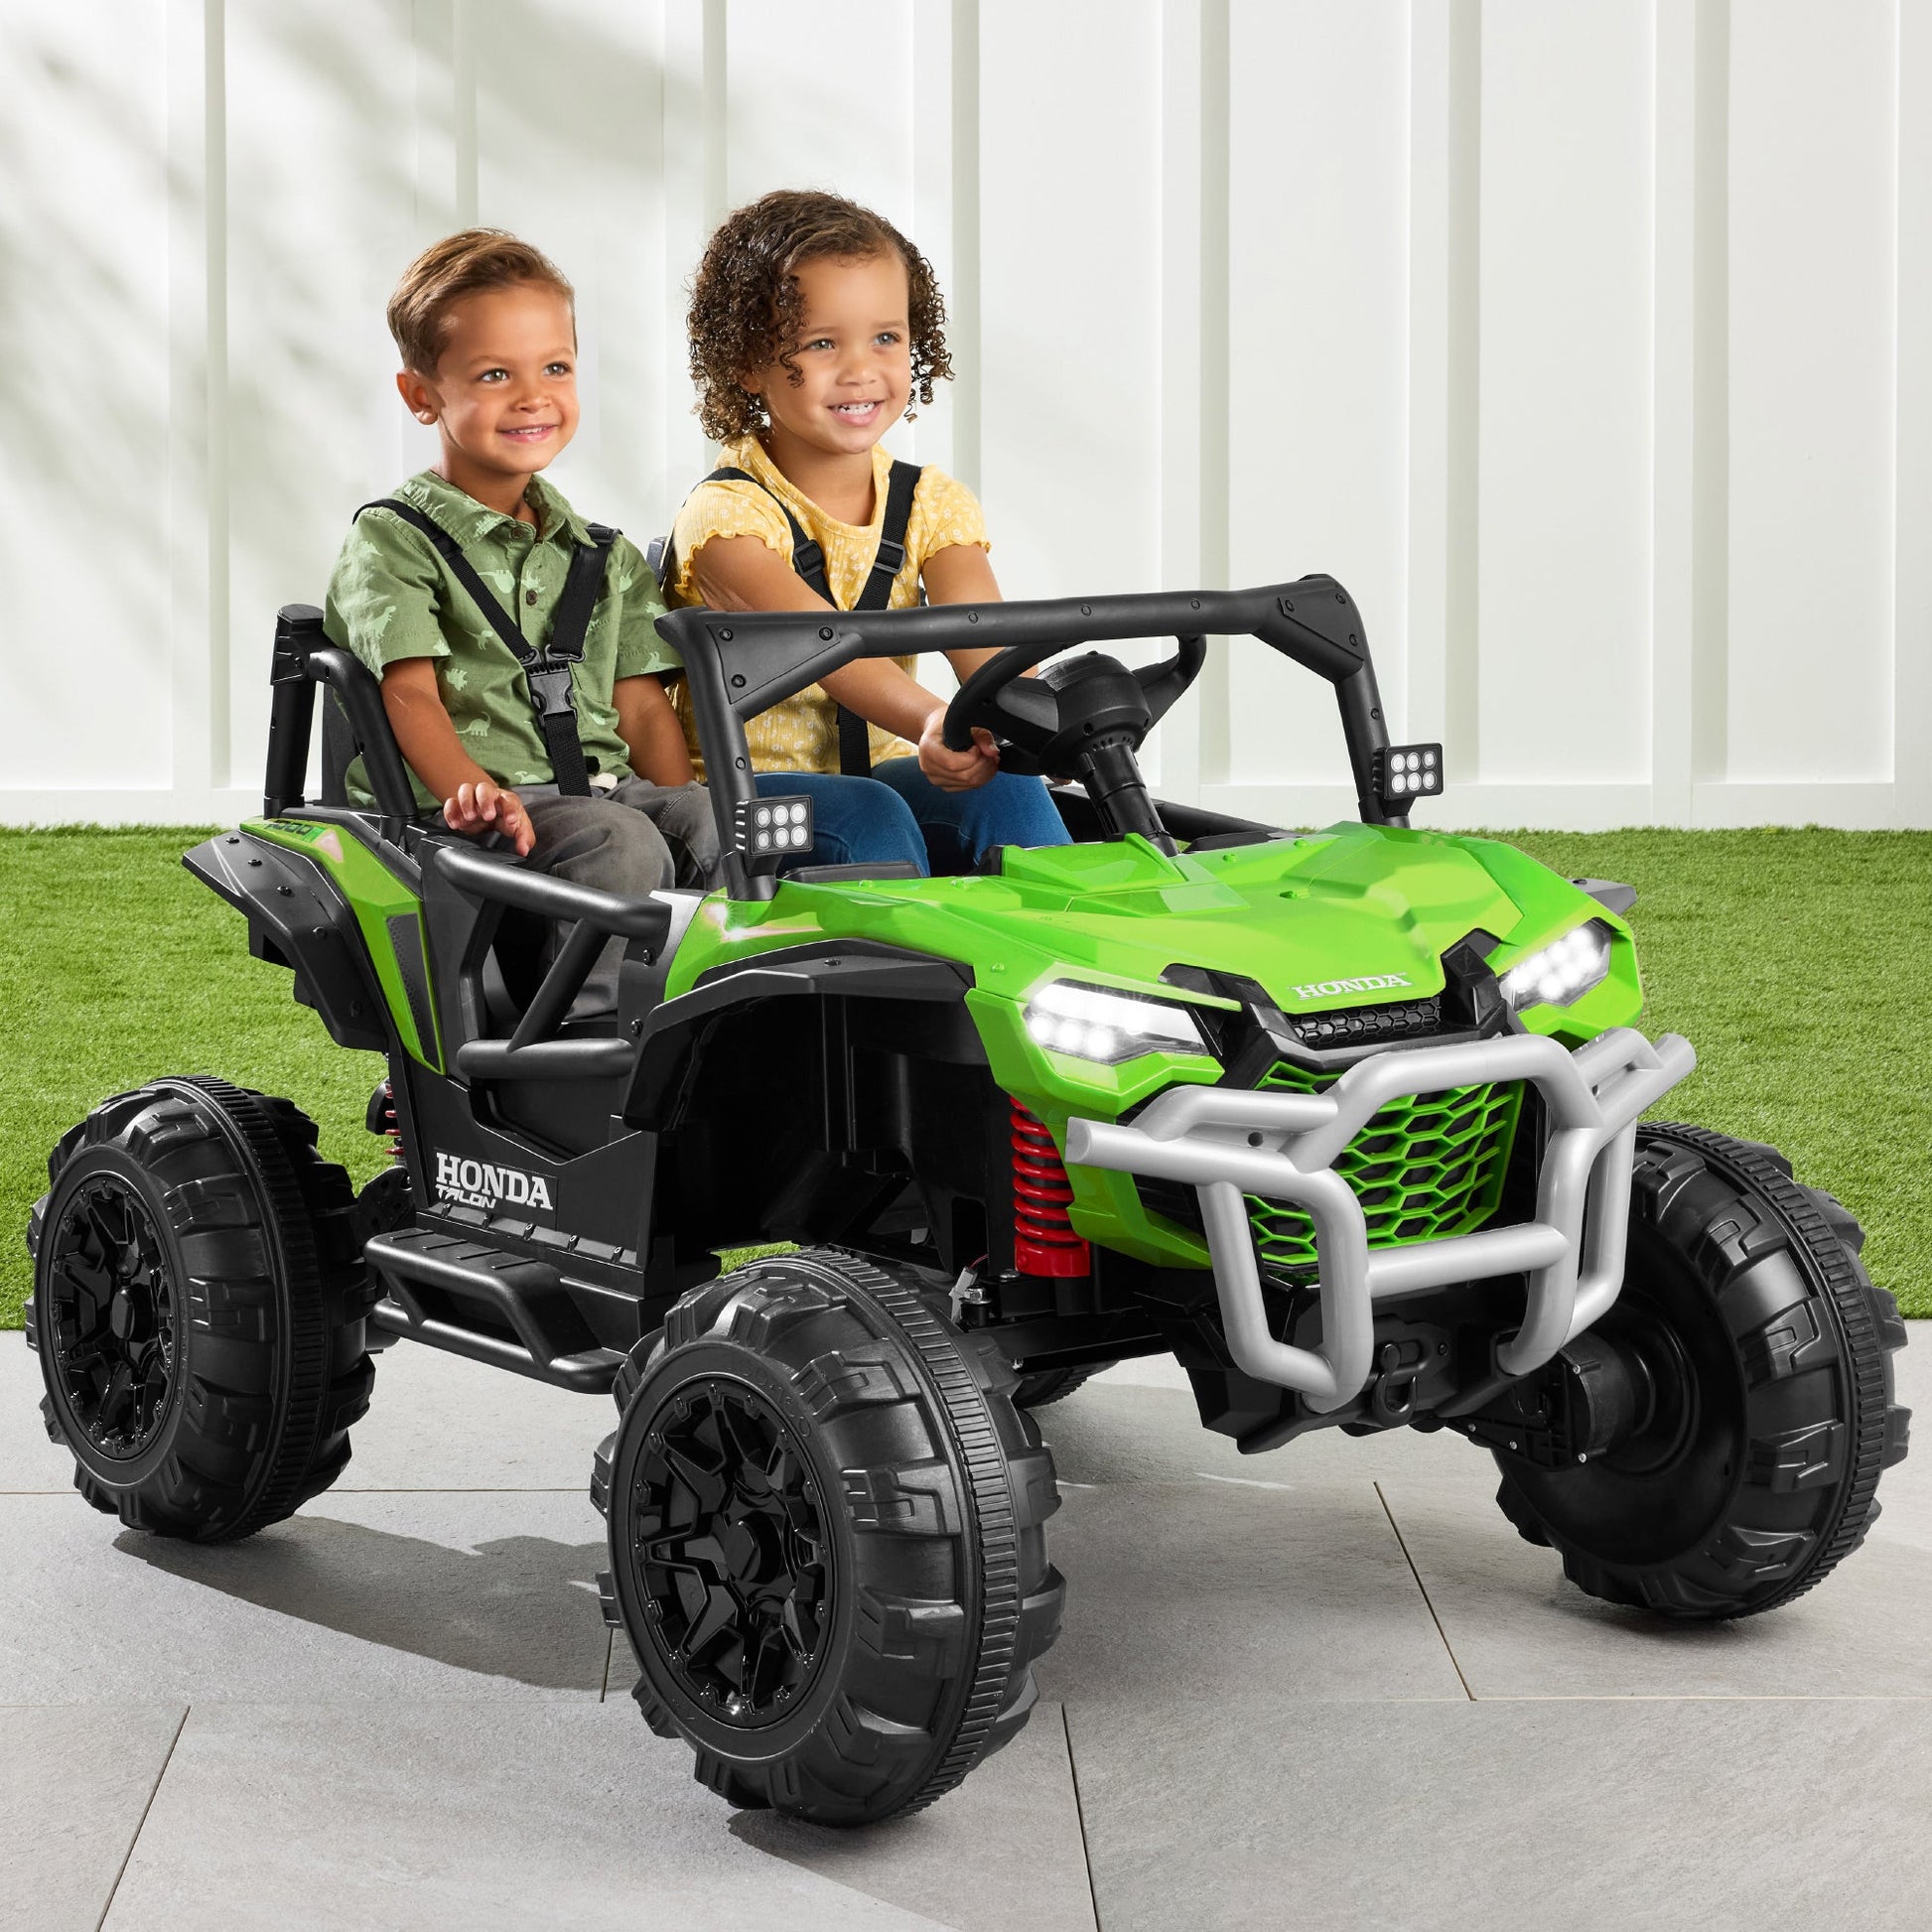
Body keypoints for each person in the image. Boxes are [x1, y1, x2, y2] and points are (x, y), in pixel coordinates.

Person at [326, 229, 718, 1013]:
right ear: (421, 395)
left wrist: (684, 807)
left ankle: (719, 1011)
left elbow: (643, 709)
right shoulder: (394, 540)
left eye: (556, 368)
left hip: (600, 792)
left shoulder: (601, 556)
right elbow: (408, 693)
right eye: (495, 374)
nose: (534, 395)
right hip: (463, 808)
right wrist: (469, 790)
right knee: (621, 840)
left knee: (724, 821)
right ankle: (591, 1035)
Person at [663, 190, 1071, 875]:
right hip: (741, 805)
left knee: (1008, 788)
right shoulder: (728, 518)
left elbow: (988, 643)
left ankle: (1070, 937)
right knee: (870, 814)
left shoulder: (929, 504)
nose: (861, 370)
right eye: (821, 343)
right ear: (748, 362)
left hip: (879, 778)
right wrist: (934, 721)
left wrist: (1034, 723)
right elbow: (824, 648)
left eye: (886, 337)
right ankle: (893, 949)